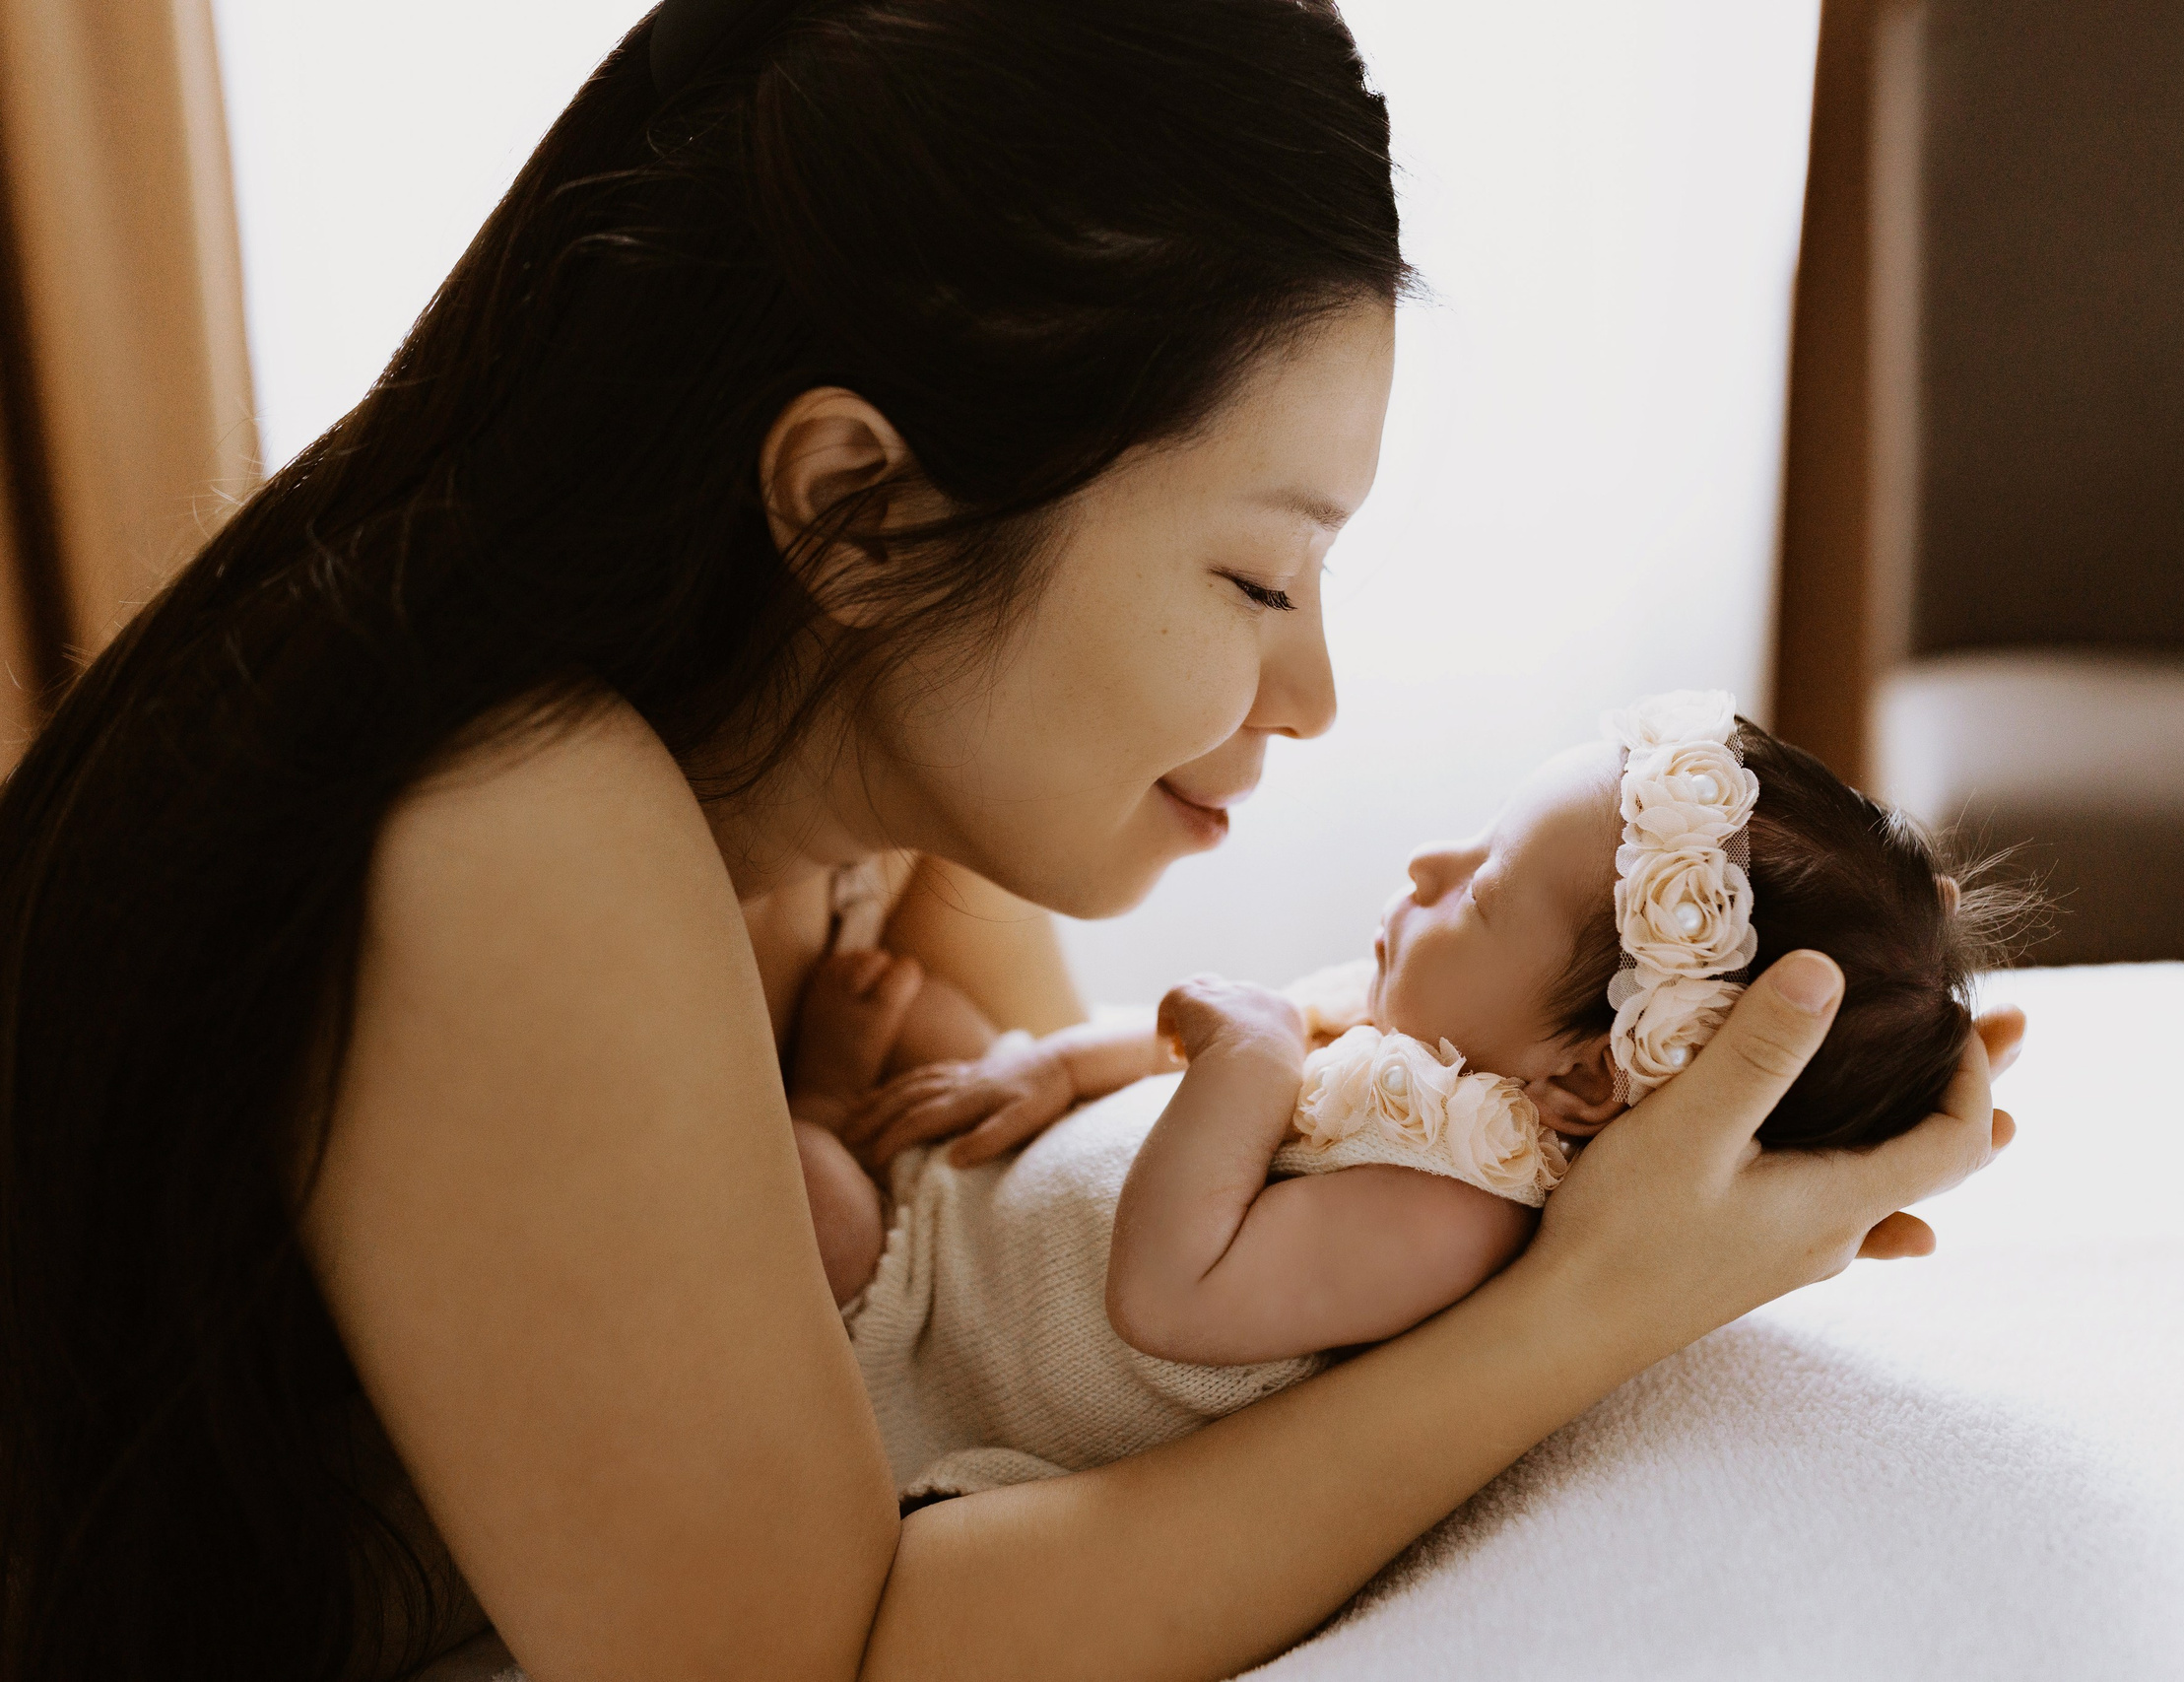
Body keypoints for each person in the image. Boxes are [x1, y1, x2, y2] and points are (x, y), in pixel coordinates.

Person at [0, 3, 2019, 1679]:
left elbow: (1035, 1377)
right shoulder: (520, 827)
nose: (1310, 695)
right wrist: (1589, 1304)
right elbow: (826, 1652)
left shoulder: (873, 809)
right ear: (861, 515)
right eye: (1253, 579)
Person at [777, 693, 2033, 1500]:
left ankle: (825, 1114)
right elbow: (1165, 1049)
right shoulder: (1427, 1060)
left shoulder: (1445, 1217)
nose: (1426, 868)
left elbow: (1169, 1291)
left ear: (1589, 1075)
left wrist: (1247, 1061)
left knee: (800, 1190)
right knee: (944, 1026)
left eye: (1479, 891)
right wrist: (1052, 1065)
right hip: (985, 1179)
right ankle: (862, 1108)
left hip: (925, 1306)